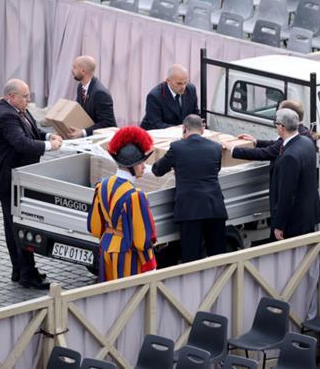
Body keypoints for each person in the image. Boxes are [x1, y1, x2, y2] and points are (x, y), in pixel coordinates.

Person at [0, 79, 62, 289]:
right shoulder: (6, 116)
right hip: (7, 179)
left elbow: (32, 131)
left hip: (15, 177)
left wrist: (48, 136)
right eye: (25, 96)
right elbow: (21, 143)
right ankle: (27, 274)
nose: (29, 100)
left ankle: (19, 270)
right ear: (11, 97)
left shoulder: (19, 110)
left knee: (14, 225)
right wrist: (50, 146)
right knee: (19, 225)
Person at [151, 114, 227, 263]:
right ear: (202, 129)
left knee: (191, 259)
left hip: (190, 210)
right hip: (215, 208)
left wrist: (177, 166)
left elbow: (157, 170)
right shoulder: (216, 147)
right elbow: (215, 169)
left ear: (184, 128)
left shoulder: (177, 147)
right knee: (219, 258)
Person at [87, 126, 158, 282]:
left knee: (109, 292)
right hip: (126, 254)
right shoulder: (135, 196)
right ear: (131, 166)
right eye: (141, 163)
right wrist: (150, 264)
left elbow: (95, 227)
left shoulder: (102, 186)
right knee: (129, 295)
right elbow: (142, 239)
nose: (144, 167)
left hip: (106, 248)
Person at [270, 108, 320, 240]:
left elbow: (286, 195)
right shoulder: (307, 142)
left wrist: (279, 225)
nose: (276, 126)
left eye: (276, 124)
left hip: (294, 222)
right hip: (308, 215)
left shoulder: (290, 156)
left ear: (282, 127)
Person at [232, 99, 316, 162]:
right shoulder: (303, 132)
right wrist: (256, 142)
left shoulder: (293, 137)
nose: (277, 120)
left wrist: (233, 149)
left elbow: (265, 153)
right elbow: (277, 143)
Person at [66, 55, 116, 138]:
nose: (72, 70)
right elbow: (80, 112)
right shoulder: (80, 87)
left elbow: (107, 123)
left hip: (102, 139)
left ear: (83, 71)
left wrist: (83, 132)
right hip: (88, 137)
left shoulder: (100, 93)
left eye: (74, 67)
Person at [140, 64, 200, 130]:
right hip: (157, 133)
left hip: (182, 131)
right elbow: (156, 124)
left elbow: (195, 113)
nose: (183, 87)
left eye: (185, 82)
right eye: (179, 83)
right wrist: (179, 129)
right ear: (168, 81)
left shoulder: (191, 89)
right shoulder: (154, 96)